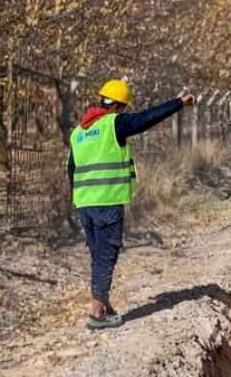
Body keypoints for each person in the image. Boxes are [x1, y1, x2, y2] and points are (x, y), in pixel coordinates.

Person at [68, 79, 196, 331]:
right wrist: (179, 103)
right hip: (107, 200)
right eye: (124, 108)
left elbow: (71, 170)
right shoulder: (113, 123)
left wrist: (80, 201)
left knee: (98, 254)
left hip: (84, 203)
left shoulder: (78, 132)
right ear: (118, 105)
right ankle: (96, 314)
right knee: (106, 255)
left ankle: (103, 303)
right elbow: (146, 119)